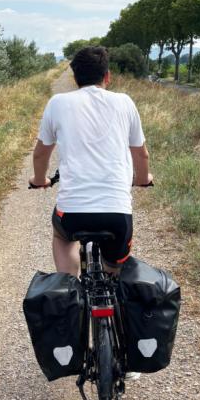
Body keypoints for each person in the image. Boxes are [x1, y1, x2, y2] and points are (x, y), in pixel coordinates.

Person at [29, 45, 153, 277]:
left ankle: (69, 287)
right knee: (114, 271)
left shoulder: (57, 103)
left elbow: (40, 154)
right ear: (107, 76)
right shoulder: (125, 102)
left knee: (62, 237)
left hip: (72, 214)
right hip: (118, 215)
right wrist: (143, 179)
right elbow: (141, 154)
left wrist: (39, 179)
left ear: (75, 77)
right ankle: (113, 292)